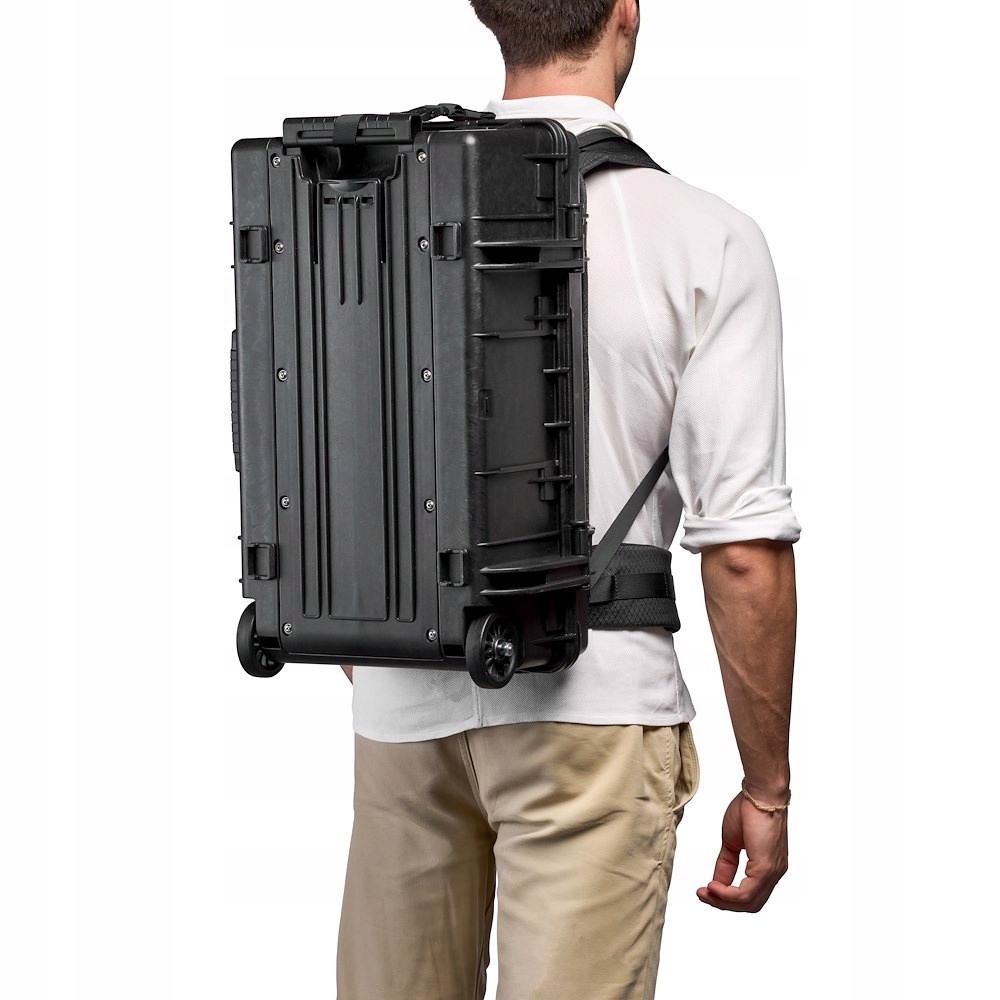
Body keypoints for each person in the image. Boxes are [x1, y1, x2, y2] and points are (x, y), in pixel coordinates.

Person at [336, 1, 801, 997]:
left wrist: (388, 634)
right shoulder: (704, 237)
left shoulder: (370, 208)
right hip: (595, 712)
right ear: (625, 10)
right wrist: (767, 788)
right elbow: (741, 551)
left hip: (402, 702)